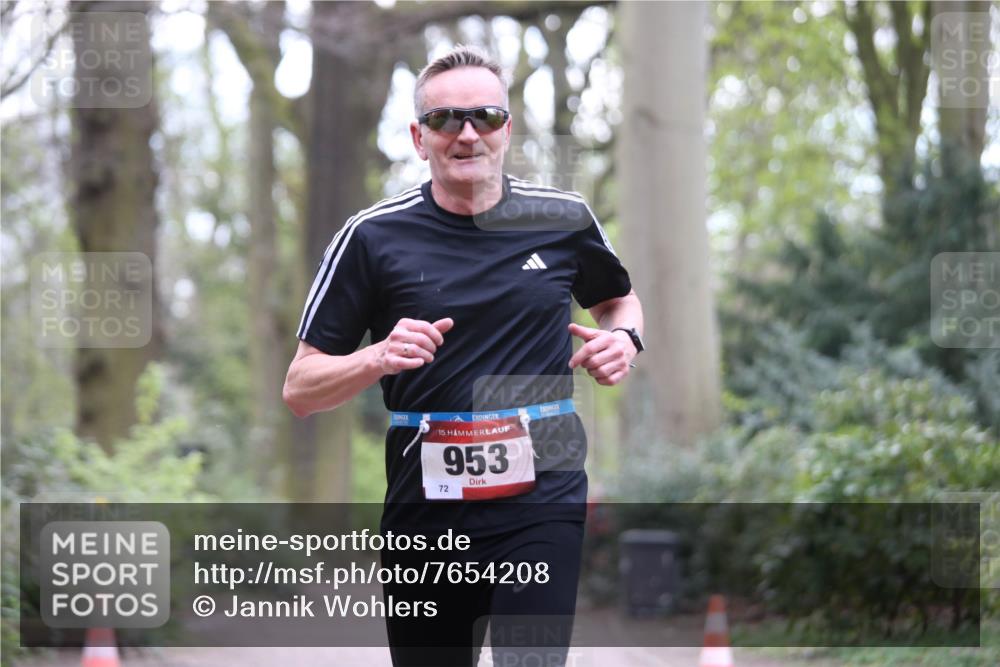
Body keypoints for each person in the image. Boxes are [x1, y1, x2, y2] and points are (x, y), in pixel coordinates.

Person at [283, 45, 644, 667]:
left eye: (486, 117)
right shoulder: (371, 237)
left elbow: (619, 300)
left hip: (544, 491)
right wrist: (377, 359)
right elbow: (301, 387)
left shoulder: (561, 220)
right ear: (419, 138)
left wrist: (625, 341)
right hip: (425, 506)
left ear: (508, 129)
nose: (468, 133)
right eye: (448, 120)